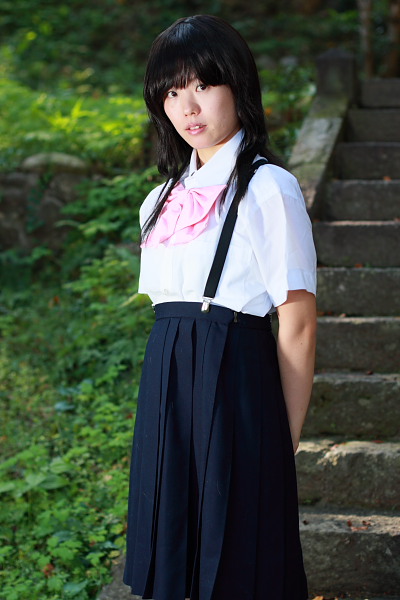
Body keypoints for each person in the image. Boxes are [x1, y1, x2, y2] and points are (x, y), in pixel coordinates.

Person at [124, 14, 317, 600]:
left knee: (238, 561)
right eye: (171, 93)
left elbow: (298, 323)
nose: (187, 107)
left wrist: (283, 438)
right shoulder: (158, 201)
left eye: (203, 86)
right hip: (167, 387)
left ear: (237, 85)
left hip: (236, 383)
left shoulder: (268, 188)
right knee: (172, 554)